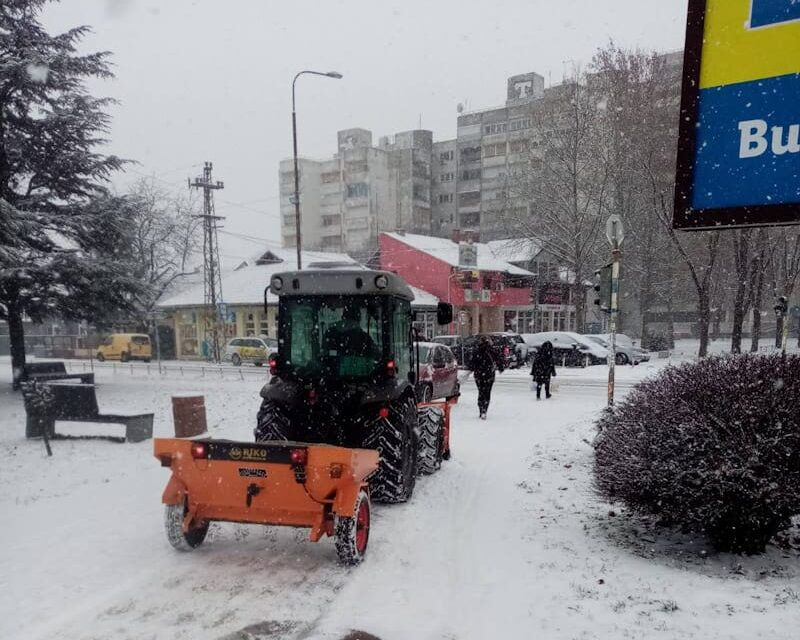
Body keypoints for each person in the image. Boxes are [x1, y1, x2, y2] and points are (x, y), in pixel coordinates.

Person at [470, 336, 502, 420]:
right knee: (487, 393)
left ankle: (481, 409)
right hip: (489, 375)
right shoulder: (491, 351)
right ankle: (484, 410)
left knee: (481, 392)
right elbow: (499, 360)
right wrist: (500, 367)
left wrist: (473, 367)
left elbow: (471, 364)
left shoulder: (476, 351)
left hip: (478, 375)